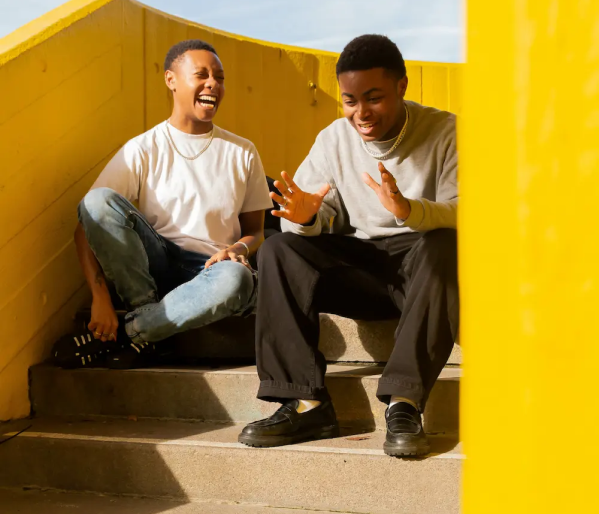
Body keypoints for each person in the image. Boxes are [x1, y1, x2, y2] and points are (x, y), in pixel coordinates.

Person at [238, 34, 458, 457]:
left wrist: (409, 210)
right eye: (350, 100)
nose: (361, 113)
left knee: (447, 245)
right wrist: (305, 219)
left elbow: (465, 210)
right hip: (362, 265)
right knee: (278, 250)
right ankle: (306, 405)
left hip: (424, 265)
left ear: (401, 86)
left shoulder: (445, 130)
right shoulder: (334, 139)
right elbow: (316, 213)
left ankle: (404, 402)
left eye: (373, 98)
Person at [63, 39, 272, 369]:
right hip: (154, 271)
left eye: (219, 78)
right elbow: (88, 222)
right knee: (98, 200)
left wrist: (238, 250)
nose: (213, 84)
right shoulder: (142, 148)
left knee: (236, 279)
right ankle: (147, 318)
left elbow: (256, 232)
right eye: (201, 75)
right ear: (171, 80)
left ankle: (135, 333)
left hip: (211, 273)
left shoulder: (242, 151)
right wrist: (100, 297)